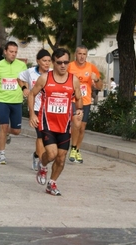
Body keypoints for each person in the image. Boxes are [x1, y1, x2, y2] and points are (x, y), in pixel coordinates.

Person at [28, 48, 83, 196]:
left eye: (66, 62)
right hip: (47, 123)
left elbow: (78, 98)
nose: (63, 65)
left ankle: (52, 183)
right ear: (54, 62)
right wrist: (32, 114)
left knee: (61, 157)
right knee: (51, 154)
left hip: (64, 126)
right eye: (59, 62)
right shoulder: (45, 78)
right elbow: (32, 94)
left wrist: (79, 110)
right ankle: (43, 164)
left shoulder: (73, 80)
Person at [0, 41, 27, 164]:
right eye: (11, 52)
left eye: (15, 52)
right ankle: (2, 154)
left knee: (16, 131)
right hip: (2, 100)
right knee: (3, 127)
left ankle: (8, 133)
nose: (13, 54)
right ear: (5, 51)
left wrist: (25, 88)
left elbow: (24, 80)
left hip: (16, 101)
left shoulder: (22, 65)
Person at [67, 45, 102, 163]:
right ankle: (72, 148)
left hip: (86, 101)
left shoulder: (91, 67)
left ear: (86, 55)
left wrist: (96, 80)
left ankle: (77, 150)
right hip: (73, 100)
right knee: (76, 124)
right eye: (79, 54)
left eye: (84, 54)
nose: (82, 57)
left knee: (82, 128)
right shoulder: (70, 66)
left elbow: (100, 87)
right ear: (75, 54)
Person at [18, 49, 51, 171]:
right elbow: (19, 78)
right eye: (44, 61)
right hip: (36, 108)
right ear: (38, 61)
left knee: (49, 140)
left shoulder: (53, 73)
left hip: (50, 110)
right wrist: (24, 89)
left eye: (49, 61)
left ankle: (36, 155)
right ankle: (41, 163)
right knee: (40, 135)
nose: (47, 63)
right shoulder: (30, 72)